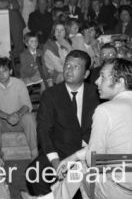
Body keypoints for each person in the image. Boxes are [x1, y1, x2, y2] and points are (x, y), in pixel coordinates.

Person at [52, 58, 132, 199]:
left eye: (103, 77)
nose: (96, 81)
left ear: (120, 82)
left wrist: (75, 159)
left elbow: (93, 160)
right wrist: (73, 157)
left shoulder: (105, 110)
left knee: (80, 167)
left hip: (119, 191)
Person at [25, 50, 100, 196]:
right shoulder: (51, 94)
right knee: (34, 173)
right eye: (67, 65)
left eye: (76, 67)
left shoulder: (96, 94)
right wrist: (55, 161)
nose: (69, 70)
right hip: (59, 149)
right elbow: (43, 130)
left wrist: (82, 156)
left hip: (87, 151)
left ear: (86, 74)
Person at [0, 57, 38, 160]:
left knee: (30, 118)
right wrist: (7, 116)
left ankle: (34, 154)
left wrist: (17, 115)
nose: (1, 74)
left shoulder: (19, 84)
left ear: (10, 71)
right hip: (2, 123)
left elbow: (27, 105)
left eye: (4, 71)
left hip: (19, 120)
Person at [42, 22, 72, 86]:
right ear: (53, 33)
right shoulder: (49, 46)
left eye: (62, 30)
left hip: (66, 70)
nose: (59, 32)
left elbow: (75, 59)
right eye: (57, 30)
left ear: (65, 32)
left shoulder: (66, 42)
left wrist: (69, 47)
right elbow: (59, 68)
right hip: (54, 75)